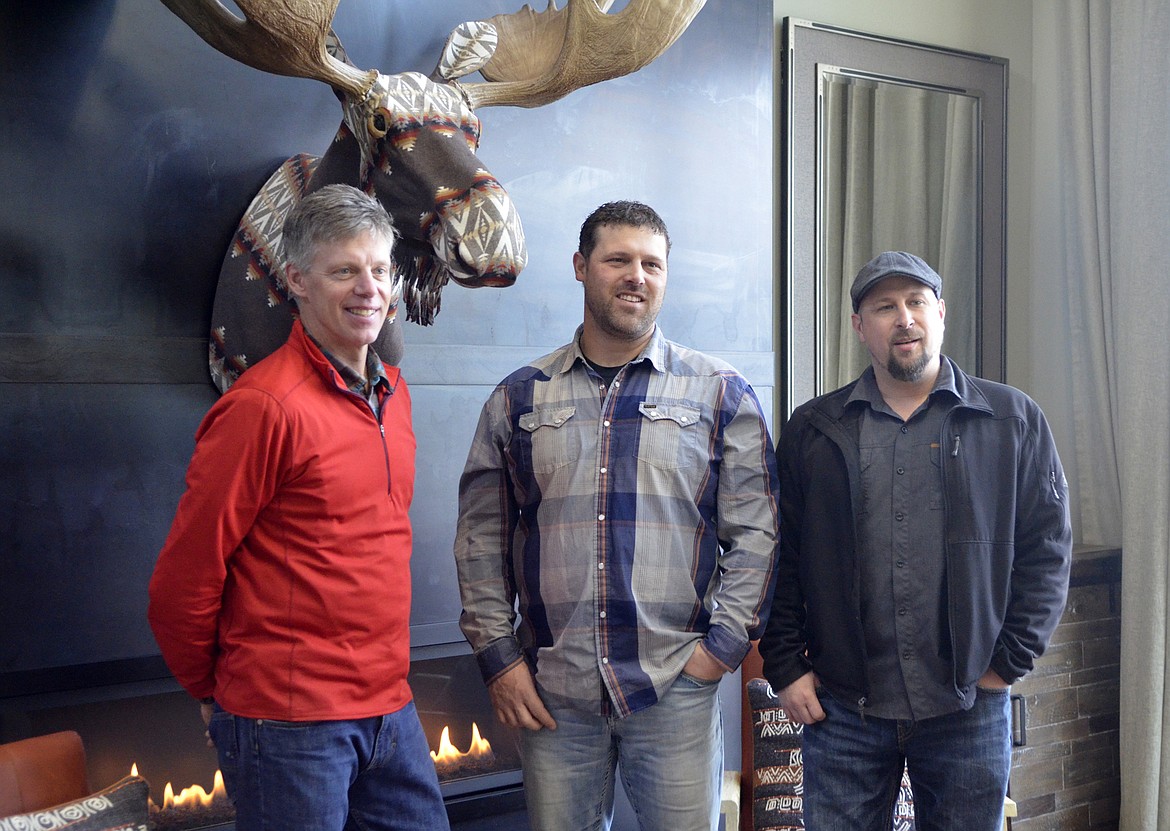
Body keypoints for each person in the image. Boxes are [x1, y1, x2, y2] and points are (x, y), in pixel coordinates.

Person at [454, 200, 780, 831]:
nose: (637, 275)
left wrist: (718, 652)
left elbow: (758, 536)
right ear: (581, 267)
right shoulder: (519, 396)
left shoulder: (721, 394)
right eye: (618, 260)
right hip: (554, 694)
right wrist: (500, 659)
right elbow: (480, 540)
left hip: (675, 688)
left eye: (652, 264)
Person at [147, 184, 449, 831]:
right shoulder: (263, 408)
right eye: (344, 270)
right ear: (296, 282)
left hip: (390, 707)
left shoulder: (394, 395)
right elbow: (183, 580)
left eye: (378, 268)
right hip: (288, 720)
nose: (369, 287)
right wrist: (213, 693)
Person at [759, 251, 1072, 830]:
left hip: (968, 707)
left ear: (940, 313)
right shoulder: (814, 429)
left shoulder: (1010, 420)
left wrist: (1007, 662)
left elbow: (1047, 550)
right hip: (843, 707)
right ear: (859, 326)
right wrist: (785, 663)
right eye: (884, 307)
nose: (903, 318)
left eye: (915, 302)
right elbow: (782, 554)